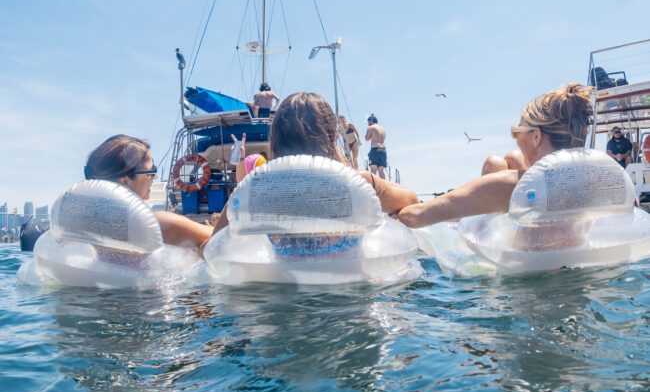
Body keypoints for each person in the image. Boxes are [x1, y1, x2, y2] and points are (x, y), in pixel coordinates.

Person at [211, 93, 418, 235]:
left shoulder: (254, 189)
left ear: (276, 138)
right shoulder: (357, 182)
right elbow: (410, 200)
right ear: (329, 136)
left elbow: (213, 245)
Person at [398, 82, 593, 228]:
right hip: (579, 274)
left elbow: (415, 216)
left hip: (522, 278)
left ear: (535, 136)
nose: (516, 139)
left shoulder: (514, 186)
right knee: (507, 159)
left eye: (517, 132)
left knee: (495, 164)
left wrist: (400, 207)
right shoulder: (591, 180)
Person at [84, 135, 213, 249]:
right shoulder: (156, 223)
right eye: (151, 171)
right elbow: (222, 238)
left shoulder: (86, 226)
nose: (155, 177)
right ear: (125, 181)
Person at [365, 114, 387, 179]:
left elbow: (367, 138)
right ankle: (384, 186)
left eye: (368, 122)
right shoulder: (383, 129)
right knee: (381, 171)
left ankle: (374, 188)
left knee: (373, 171)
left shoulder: (371, 127)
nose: (368, 124)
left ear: (371, 121)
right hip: (383, 151)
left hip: (375, 150)